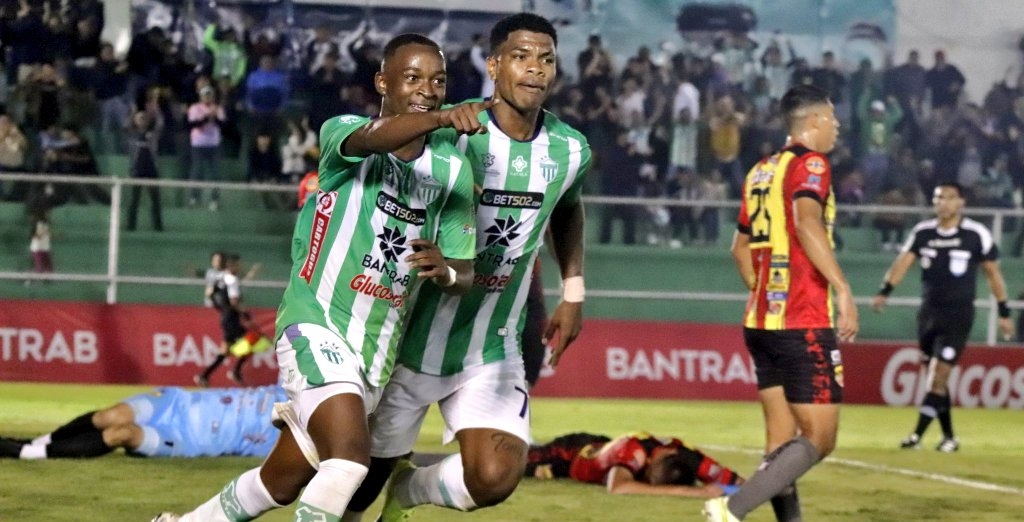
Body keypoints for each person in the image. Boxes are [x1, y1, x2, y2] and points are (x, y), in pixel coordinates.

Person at [151, 33, 487, 522]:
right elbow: (376, 138)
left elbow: (466, 274)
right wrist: (438, 119)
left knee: (281, 482)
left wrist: (446, 269)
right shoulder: (343, 132)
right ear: (382, 82)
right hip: (316, 323)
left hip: (376, 350)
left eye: (437, 81)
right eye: (412, 77)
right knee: (348, 463)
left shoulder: (452, 170)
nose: (427, 88)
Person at [345, 13, 591, 522]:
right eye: (521, 57)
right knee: (355, 489)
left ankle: (409, 490)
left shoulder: (570, 150)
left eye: (545, 59)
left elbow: (566, 207)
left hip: (491, 343)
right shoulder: (447, 128)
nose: (535, 70)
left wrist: (574, 292)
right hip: (408, 341)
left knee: (496, 476)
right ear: (494, 65)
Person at [706, 84, 858, 522]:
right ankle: (729, 509)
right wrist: (843, 289)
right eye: (832, 119)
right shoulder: (812, 163)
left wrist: (765, 292)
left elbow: (739, 248)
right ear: (812, 123)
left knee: (780, 443)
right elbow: (807, 221)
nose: (837, 127)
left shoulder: (759, 171)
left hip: (760, 322)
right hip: (802, 320)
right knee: (820, 438)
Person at [871, 181, 1014, 452]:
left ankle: (916, 436)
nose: (943, 203)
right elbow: (902, 262)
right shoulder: (923, 232)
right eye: (939, 198)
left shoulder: (976, 234)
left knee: (938, 375)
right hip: (928, 314)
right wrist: (884, 291)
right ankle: (949, 438)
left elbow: (993, 274)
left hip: (958, 315)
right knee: (935, 379)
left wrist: (1004, 312)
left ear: (961, 203)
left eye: (950, 198)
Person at [0, 386, 286, 460]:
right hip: (178, 402)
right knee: (108, 416)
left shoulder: (296, 437)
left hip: (185, 440)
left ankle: (23, 452)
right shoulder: (293, 382)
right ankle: (36, 441)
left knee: (120, 433)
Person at [526, 432, 743, 497]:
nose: (647, 482)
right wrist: (696, 493)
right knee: (511, 465)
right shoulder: (633, 451)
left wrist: (729, 488)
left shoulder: (691, 458)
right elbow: (618, 486)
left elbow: (741, 484)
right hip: (569, 454)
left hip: (597, 452)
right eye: (650, 479)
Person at [194, 253, 252, 387]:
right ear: (231, 265)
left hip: (225, 317)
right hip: (231, 318)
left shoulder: (219, 277)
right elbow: (234, 301)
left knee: (225, 351)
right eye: (238, 265)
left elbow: (209, 294)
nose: (239, 267)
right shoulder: (232, 280)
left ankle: (204, 376)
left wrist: (220, 307)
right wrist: (245, 314)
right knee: (253, 340)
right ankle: (235, 371)